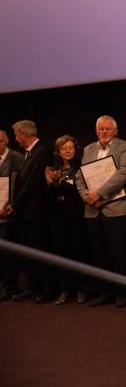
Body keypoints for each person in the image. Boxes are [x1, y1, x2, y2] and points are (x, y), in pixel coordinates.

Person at [76, 115, 126, 308]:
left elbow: (123, 174)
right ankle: (105, 292)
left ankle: (122, 293)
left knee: (119, 253)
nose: (104, 132)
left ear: (115, 131)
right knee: (99, 253)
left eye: (108, 129)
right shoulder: (88, 149)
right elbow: (80, 176)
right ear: (96, 131)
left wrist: (99, 193)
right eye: (101, 129)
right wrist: (85, 195)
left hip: (117, 208)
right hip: (92, 209)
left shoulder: (125, 147)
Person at [5, 120, 56, 303]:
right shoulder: (29, 153)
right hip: (26, 212)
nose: (16, 138)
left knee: (41, 250)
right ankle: (34, 287)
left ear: (24, 134)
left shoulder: (42, 150)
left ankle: (48, 289)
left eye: (16, 135)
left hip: (37, 212)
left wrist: (15, 205)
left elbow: (32, 183)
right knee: (30, 251)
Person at [45, 135, 90, 305]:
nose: (68, 151)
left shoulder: (81, 167)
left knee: (79, 252)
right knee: (62, 254)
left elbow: (79, 193)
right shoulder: (53, 169)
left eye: (70, 148)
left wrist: (60, 183)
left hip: (76, 216)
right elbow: (48, 197)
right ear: (58, 151)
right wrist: (50, 184)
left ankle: (82, 289)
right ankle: (65, 290)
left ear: (75, 149)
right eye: (64, 148)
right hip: (58, 217)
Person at [0, 128, 32, 301]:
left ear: (6, 141)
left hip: (12, 214)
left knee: (11, 253)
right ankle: (4, 287)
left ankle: (12, 288)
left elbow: (22, 187)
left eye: (0, 141)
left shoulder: (17, 158)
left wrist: (11, 206)